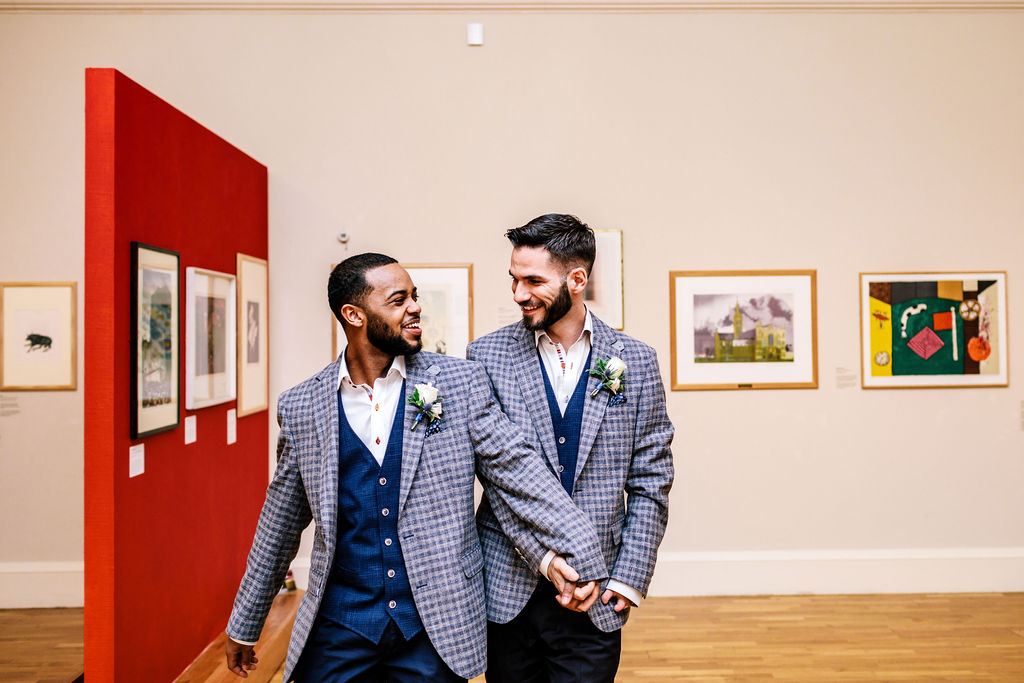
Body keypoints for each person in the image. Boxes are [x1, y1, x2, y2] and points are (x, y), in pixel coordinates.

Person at [224, 253, 607, 682]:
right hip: (340, 627)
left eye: (415, 297)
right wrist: (246, 621)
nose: (415, 308)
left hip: (434, 628)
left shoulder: (460, 383)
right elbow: (279, 523)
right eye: (398, 300)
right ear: (354, 315)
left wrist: (585, 557)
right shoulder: (302, 407)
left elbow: (521, 475)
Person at [467, 214, 675, 682]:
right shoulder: (485, 357)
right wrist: (545, 558)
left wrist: (628, 575)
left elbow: (652, 479)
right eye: (514, 280)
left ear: (577, 279)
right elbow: (495, 477)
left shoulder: (636, 362)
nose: (519, 294)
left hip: (598, 586)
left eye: (533, 281)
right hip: (508, 584)